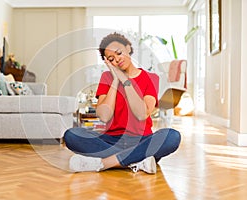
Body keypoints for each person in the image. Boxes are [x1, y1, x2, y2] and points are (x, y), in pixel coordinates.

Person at [64, 32, 181, 173]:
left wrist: (125, 81)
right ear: (108, 63)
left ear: (128, 48)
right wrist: (115, 80)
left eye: (119, 53)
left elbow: (142, 113)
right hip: (110, 140)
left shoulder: (150, 77)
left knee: (172, 136)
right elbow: (104, 116)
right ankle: (137, 160)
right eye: (111, 59)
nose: (117, 60)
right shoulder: (107, 77)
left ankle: (104, 163)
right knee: (72, 135)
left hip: (142, 140)